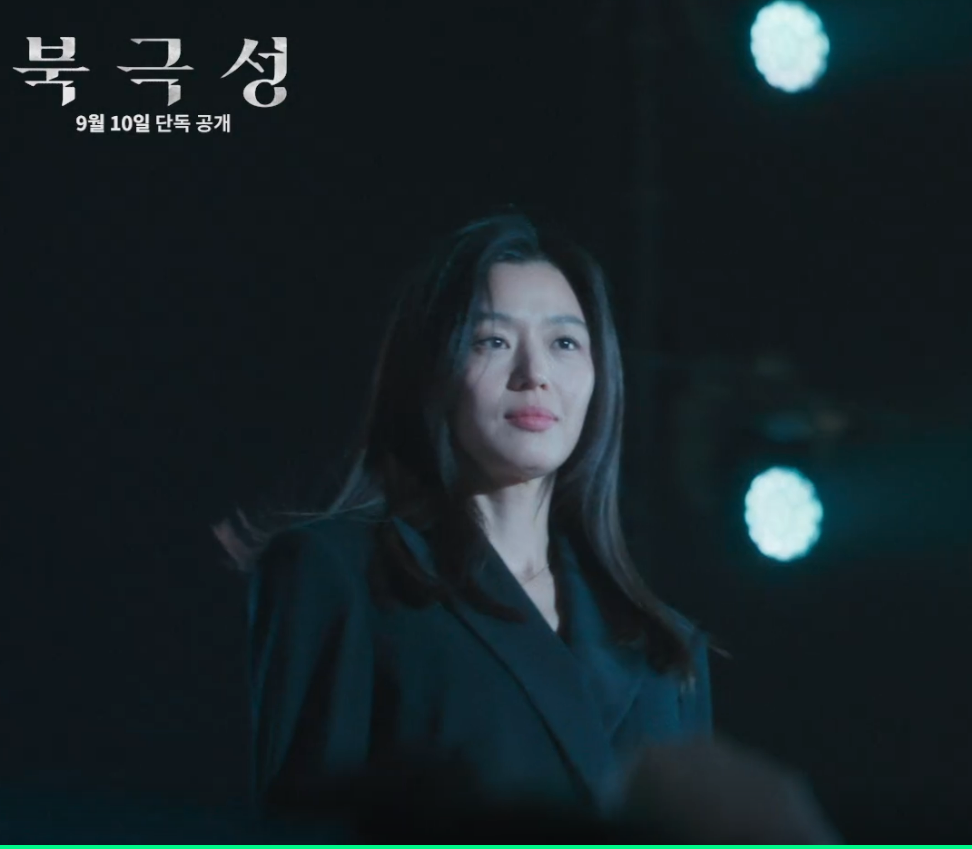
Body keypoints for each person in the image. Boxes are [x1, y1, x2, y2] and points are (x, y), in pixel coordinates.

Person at [213, 211, 717, 829]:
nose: (535, 375)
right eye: (492, 341)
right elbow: (307, 827)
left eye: (564, 343)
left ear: (600, 374)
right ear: (434, 367)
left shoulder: (663, 646)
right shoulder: (340, 575)